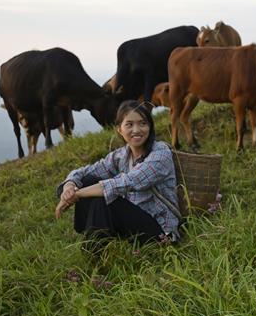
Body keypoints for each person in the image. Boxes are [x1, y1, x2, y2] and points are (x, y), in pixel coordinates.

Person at [55, 100, 180, 253]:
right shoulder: (122, 154)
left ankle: (94, 253)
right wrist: (69, 186)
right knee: (85, 181)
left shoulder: (160, 153)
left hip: (159, 229)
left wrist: (77, 194)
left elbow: (129, 181)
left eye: (143, 123)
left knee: (103, 200)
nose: (137, 130)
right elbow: (86, 172)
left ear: (150, 126)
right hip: (134, 218)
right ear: (119, 129)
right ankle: (90, 233)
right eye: (129, 125)